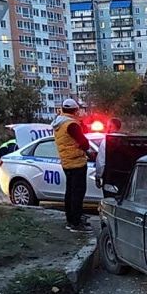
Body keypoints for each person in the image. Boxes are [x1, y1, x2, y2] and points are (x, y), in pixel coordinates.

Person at [51, 98, 92, 232]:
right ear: (75, 110)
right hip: (77, 162)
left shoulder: (59, 123)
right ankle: (76, 222)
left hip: (66, 162)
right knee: (78, 193)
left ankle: (71, 219)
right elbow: (84, 143)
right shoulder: (72, 125)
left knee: (70, 192)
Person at [95, 117, 124, 191]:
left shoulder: (106, 141)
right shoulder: (126, 140)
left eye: (108, 126)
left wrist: (98, 177)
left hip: (110, 176)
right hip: (125, 177)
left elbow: (101, 161)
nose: (107, 128)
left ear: (111, 126)